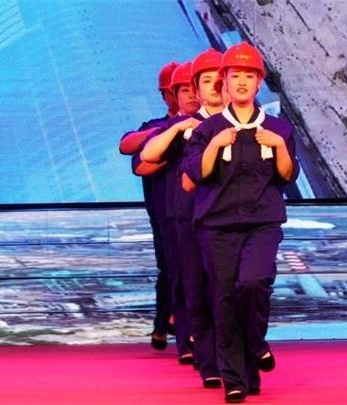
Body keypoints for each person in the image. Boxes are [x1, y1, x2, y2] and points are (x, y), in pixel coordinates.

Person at [183, 42, 299, 403]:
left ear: (259, 82)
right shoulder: (208, 129)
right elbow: (196, 174)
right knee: (225, 299)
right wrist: (215, 144)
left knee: (254, 282)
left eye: (250, 76)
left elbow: (287, 175)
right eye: (236, 76)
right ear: (226, 82)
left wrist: (278, 146)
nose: (243, 82)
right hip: (217, 227)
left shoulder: (278, 129)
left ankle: (256, 345)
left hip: (262, 223)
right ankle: (238, 378)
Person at [141, 48, 227, 388]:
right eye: (189, 88)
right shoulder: (173, 129)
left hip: (225, 218)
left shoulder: (240, 123)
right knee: (186, 280)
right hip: (179, 216)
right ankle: (195, 348)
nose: (194, 94)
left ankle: (230, 351)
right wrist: (177, 134)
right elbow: (140, 157)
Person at [118, 61, 178, 351]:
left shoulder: (205, 125)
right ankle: (163, 323)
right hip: (164, 211)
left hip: (200, 211)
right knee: (169, 267)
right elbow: (131, 152)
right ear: (165, 95)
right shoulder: (155, 128)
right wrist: (166, 135)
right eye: (174, 91)